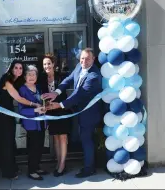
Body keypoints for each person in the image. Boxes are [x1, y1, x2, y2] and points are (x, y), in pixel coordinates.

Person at [43, 48, 102, 178]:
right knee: (85, 139)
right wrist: (56, 92)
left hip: (89, 114)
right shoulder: (78, 67)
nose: (84, 61)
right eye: (82, 58)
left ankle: (89, 169)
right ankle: (89, 164)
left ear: (93, 59)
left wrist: (59, 104)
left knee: (86, 140)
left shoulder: (94, 76)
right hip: (79, 112)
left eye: (87, 58)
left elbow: (78, 95)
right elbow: (68, 80)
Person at [0, 60, 41, 180]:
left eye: (20, 68)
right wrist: (34, 104)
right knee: (6, 142)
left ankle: (12, 167)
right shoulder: (8, 81)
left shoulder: (17, 80)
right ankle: (8, 172)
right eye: (16, 68)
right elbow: (19, 98)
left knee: (10, 141)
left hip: (8, 112)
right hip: (2, 114)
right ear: (11, 69)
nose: (18, 70)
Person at [38, 54, 71, 177]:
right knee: (55, 138)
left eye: (48, 63)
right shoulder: (41, 78)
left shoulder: (61, 77)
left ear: (53, 64)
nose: (47, 66)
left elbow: (64, 94)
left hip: (62, 110)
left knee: (63, 137)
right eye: (44, 64)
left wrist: (57, 103)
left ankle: (62, 165)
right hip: (50, 112)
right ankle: (58, 163)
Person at [18, 65, 48, 181]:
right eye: (29, 74)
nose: (31, 77)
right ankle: (31, 171)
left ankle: (37, 167)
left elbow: (42, 103)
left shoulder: (38, 87)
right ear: (25, 76)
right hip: (31, 124)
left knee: (40, 146)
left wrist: (44, 108)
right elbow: (21, 110)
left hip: (41, 123)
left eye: (33, 74)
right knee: (33, 148)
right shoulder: (22, 90)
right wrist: (35, 110)